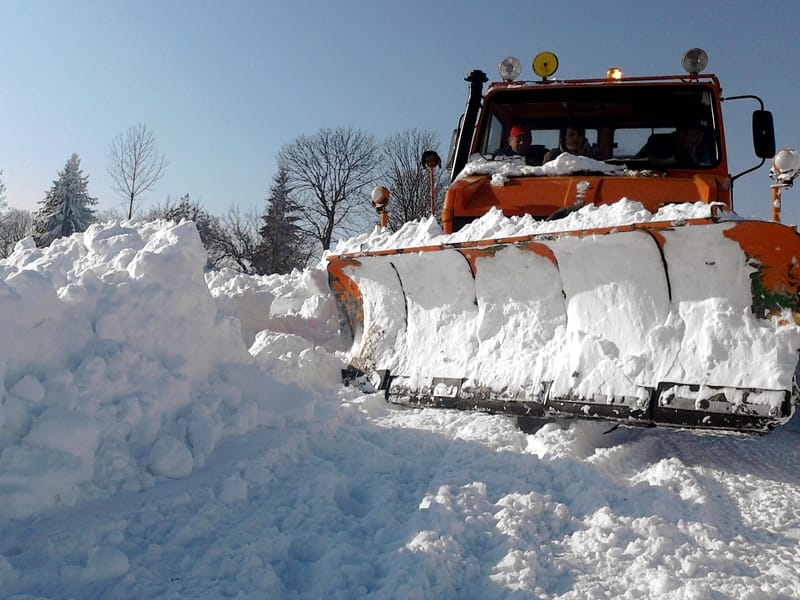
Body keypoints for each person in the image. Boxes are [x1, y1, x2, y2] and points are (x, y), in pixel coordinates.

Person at [636, 122, 706, 165]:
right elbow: (638, 162)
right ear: (682, 133)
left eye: (702, 136)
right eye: (695, 134)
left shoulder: (700, 149)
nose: (699, 140)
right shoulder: (658, 142)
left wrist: (693, 158)